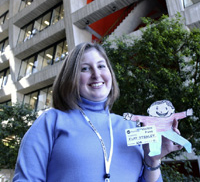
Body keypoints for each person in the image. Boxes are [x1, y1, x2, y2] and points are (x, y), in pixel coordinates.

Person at [13, 42, 183, 182]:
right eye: (85, 68)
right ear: (71, 77)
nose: (96, 74)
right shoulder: (50, 121)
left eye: (101, 66)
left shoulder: (133, 128)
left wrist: (152, 160)